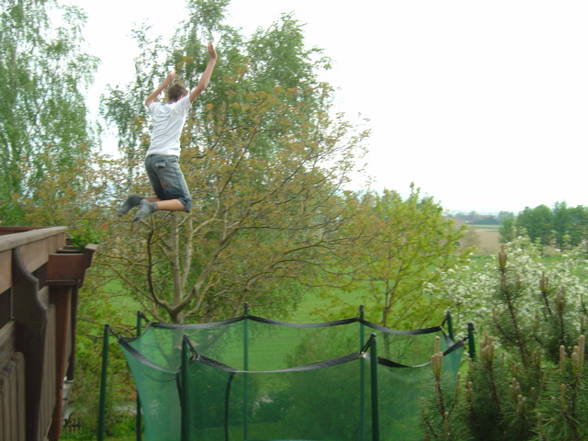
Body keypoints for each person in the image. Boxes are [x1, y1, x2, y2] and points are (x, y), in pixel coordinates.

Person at [118, 42, 217, 222]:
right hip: (166, 160)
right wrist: (212, 60)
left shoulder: (157, 108)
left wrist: (165, 82)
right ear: (181, 98)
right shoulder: (179, 107)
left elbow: (148, 100)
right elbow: (202, 86)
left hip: (151, 160)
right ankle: (150, 205)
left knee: (167, 200)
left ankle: (137, 200)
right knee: (184, 202)